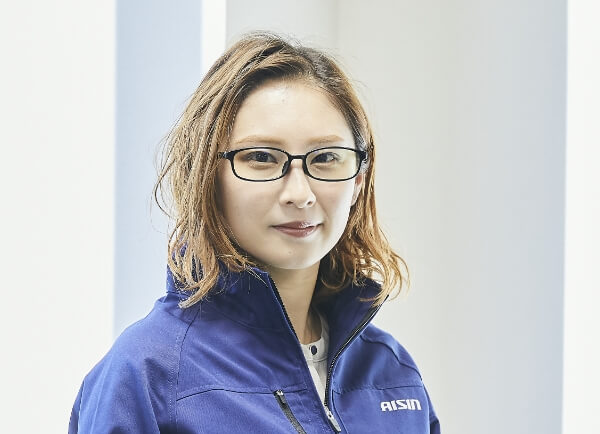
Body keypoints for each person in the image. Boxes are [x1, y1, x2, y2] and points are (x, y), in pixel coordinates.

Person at [69, 32, 440, 433]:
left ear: (359, 181)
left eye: (326, 157)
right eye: (261, 157)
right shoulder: (147, 373)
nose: (300, 194)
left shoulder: (392, 373)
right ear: (207, 175)